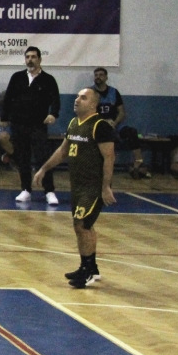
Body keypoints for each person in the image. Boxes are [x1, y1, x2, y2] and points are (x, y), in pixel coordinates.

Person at [33, 88, 117, 288]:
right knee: (83, 226)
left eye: (83, 97)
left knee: (82, 225)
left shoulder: (100, 126)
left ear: (93, 104)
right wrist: (44, 169)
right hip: (78, 185)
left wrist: (106, 186)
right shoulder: (73, 123)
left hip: (93, 186)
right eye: (78, 96)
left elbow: (109, 157)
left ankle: (86, 271)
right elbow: (63, 151)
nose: (77, 100)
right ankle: (90, 267)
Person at [2, 47, 61, 205]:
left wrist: (53, 114)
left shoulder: (48, 79)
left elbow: (55, 99)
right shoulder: (17, 77)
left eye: (33, 57)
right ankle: (26, 190)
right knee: (23, 158)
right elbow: (8, 98)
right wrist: (4, 117)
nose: (30, 60)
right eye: (27, 57)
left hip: (38, 125)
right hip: (18, 124)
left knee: (43, 157)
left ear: (39, 59)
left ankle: (49, 191)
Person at [93, 68, 150, 180]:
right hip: (97, 125)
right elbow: (86, 113)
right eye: (96, 75)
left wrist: (114, 123)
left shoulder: (114, 92)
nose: (98, 77)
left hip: (114, 125)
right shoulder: (90, 92)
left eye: (101, 75)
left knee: (132, 132)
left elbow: (122, 112)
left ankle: (139, 163)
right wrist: (103, 122)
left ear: (106, 77)